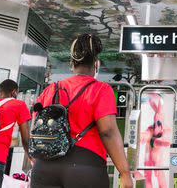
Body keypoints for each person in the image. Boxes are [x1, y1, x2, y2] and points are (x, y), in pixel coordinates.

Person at [31, 34, 134, 188]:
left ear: (72, 64)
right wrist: (125, 173)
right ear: (96, 64)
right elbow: (108, 131)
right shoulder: (101, 89)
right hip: (85, 166)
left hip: (44, 167)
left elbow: (35, 127)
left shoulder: (51, 89)